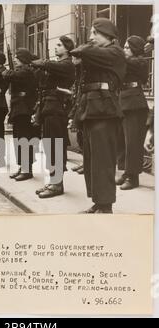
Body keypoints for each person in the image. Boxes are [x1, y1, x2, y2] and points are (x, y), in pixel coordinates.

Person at [70, 18, 126, 213]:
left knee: (103, 162)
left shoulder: (115, 52)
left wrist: (81, 51)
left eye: (95, 33)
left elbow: (83, 51)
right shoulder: (99, 54)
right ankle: (98, 202)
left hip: (105, 111)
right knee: (92, 161)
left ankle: (106, 205)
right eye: (91, 33)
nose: (91, 37)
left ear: (109, 35)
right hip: (92, 110)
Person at [32, 36, 75, 198]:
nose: (56, 47)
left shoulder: (67, 65)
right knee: (50, 147)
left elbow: (48, 65)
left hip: (57, 109)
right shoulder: (57, 66)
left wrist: (38, 62)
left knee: (56, 146)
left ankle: (57, 184)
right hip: (49, 108)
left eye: (59, 45)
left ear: (67, 48)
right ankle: (53, 181)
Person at [116, 36, 149, 190]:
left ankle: (133, 177)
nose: (124, 50)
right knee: (123, 141)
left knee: (133, 142)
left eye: (128, 47)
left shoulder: (140, 61)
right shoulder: (126, 61)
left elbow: (130, 63)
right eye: (124, 46)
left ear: (136, 49)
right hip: (124, 101)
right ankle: (126, 172)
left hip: (135, 104)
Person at [2, 48, 37, 181]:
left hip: (24, 108)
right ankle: (23, 167)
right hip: (19, 107)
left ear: (23, 59)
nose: (15, 60)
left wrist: (7, 71)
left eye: (17, 57)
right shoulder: (21, 71)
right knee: (18, 139)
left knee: (24, 139)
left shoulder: (27, 71)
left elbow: (8, 75)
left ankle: (27, 169)